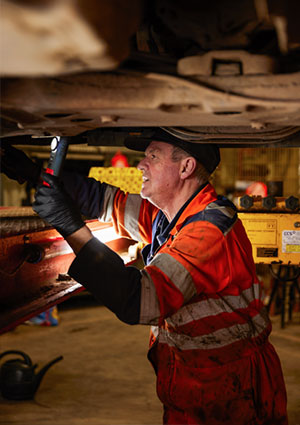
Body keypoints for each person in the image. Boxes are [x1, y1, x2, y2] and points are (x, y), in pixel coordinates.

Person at [1, 131, 288, 425]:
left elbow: (139, 301)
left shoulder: (207, 232)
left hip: (232, 390)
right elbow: (103, 200)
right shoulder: (172, 215)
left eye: (153, 156)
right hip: (197, 381)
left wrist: (69, 225)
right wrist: (36, 174)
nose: (141, 165)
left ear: (186, 167)